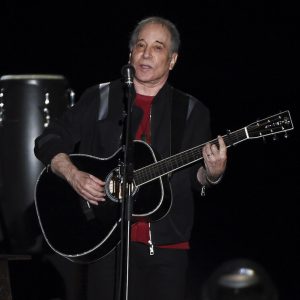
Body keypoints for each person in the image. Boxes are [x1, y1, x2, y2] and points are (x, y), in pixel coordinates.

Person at [34, 16, 227, 300]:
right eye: (141, 45)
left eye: (158, 47)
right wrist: (72, 174)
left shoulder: (190, 111)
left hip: (165, 248)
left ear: (172, 60)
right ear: (130, 54)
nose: (146, 54)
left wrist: (213, 172)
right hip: (103, 237)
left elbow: (197, 177)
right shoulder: (100, 97)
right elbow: (47, 139)